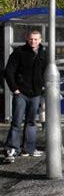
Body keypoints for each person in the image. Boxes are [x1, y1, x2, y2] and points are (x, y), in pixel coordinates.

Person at [3, 30, 47, 163]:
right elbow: (9, 71)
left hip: (35, 94)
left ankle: (28, 149)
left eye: (36, 39)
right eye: (31, 39)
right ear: (27, 39)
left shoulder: (44, 54)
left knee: (31, 122)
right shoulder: (19, 52)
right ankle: (12, 149)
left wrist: (44, 88)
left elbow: (46, 72)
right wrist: (15, 89)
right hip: (21, 93)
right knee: (16, 122)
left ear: (40, 40)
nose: (33, 41)